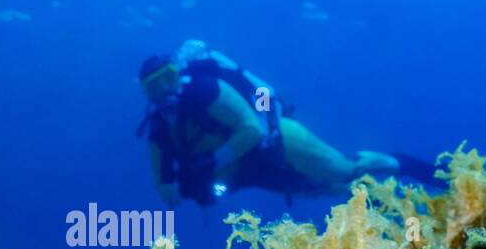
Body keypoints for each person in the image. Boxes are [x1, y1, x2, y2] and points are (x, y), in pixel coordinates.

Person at [136, 40, 431, 206]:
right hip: (245, 171)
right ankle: (395, 206)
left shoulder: (206, 90)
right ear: (147, 93)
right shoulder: (158, 130)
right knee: (320, 189)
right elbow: (166, 191)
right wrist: (190, 188)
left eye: (168, 78)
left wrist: (210, 164)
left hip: (278, 140)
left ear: (178, 74)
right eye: (154, 86)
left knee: (344, 172)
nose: (164, 89)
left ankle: (406, 165)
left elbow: (251, 129)